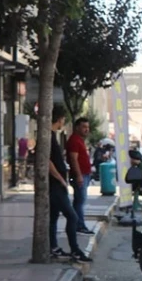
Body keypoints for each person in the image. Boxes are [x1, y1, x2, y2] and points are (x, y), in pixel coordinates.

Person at [49, 106, 92, 262]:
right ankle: (75, 249)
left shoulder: (53, 136)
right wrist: (60, 179)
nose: (63, 122)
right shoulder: (49, 136)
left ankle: (53, 247)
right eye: (63, 120)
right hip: (54, 185)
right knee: (72, 216)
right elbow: (46, 161)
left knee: (53, 217)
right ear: (59, 119)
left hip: (58, 183)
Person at [66, 117, 95, 235]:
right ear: (77, 127)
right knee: (80, 201)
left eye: (87, 127)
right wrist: (78, 176)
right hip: (80, 175)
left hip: (85, 174)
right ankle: (79, 225)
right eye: (84, 127)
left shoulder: (80, 140)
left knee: (80, 200)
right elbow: (73, 159)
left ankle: (77, 223)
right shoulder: (74, 140)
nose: (86, 130)